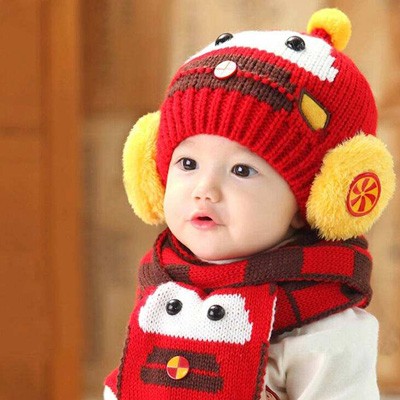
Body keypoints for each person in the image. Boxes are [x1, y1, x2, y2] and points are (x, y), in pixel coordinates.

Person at [104, 8, 395, 400]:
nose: (205, 189)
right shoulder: (162, 286)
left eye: (241, 170)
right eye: (187, 163)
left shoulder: (323, 327)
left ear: (312, 200)